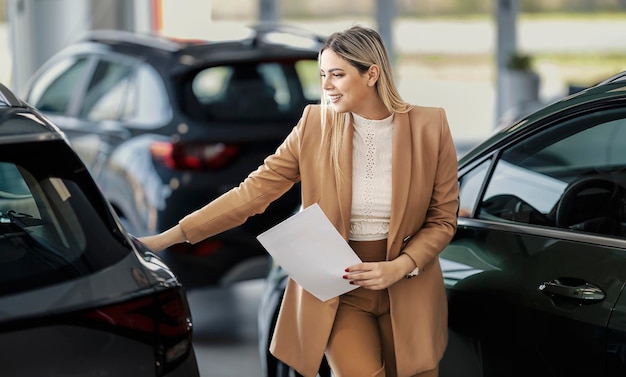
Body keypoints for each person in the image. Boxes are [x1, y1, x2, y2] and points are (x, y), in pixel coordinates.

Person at [139, 25, 459, 377]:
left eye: (337, 75)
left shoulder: (430, 126)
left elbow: (442, 219)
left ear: (372, 74)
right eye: (322, 74)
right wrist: (165, 238)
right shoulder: (314, 125)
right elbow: (251, 194)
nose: (326, 86)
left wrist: (399, 265)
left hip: (409, 287)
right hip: (340, 290)